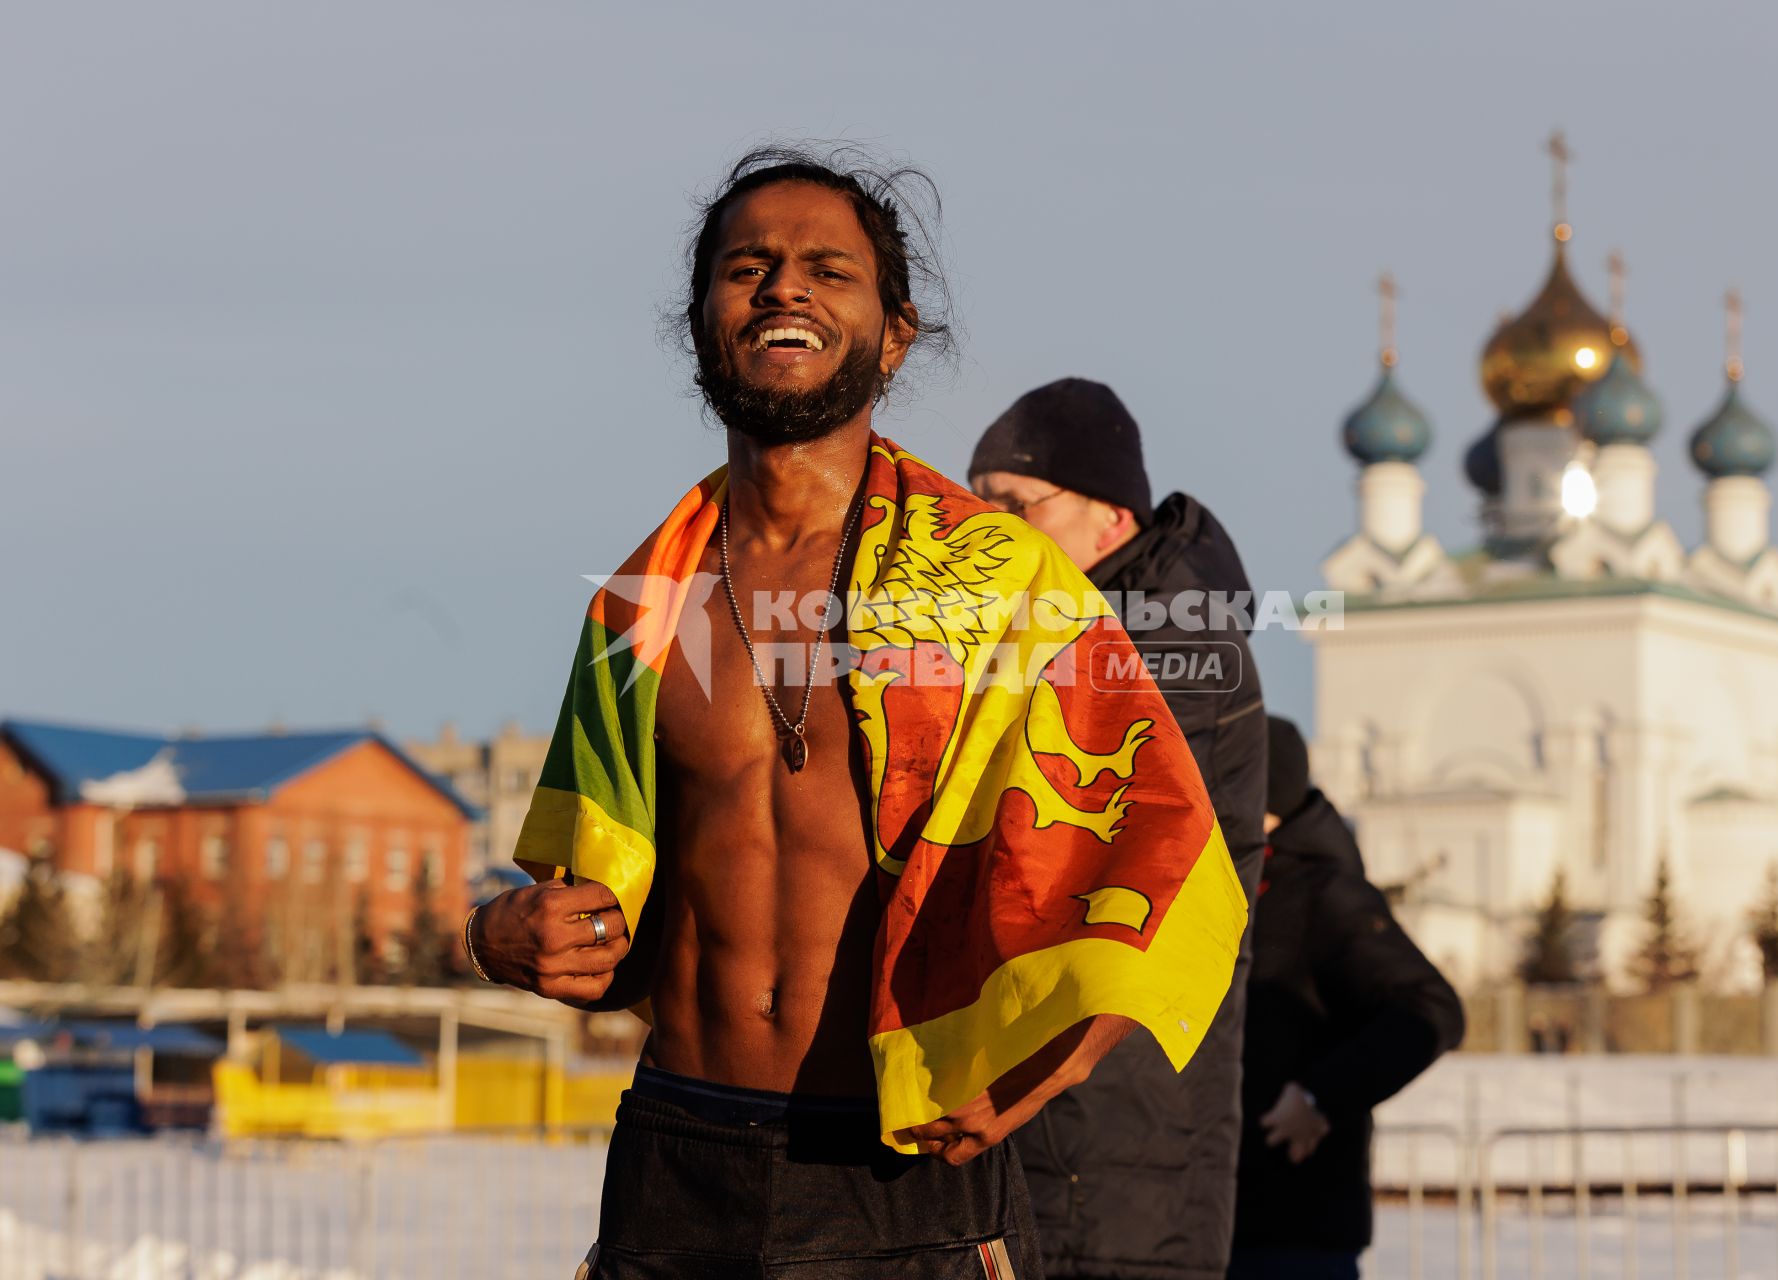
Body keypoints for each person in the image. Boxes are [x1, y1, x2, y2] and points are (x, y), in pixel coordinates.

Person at [466, 146, 1249, 1280]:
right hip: (677, 1163)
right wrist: (497, 938)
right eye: (749, 266)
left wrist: (1060, 1060)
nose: (784, 286)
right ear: (700, 322)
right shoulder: (640, 607)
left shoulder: (1001, 583)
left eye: (828, 268)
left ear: (894, 333)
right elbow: (597, 926)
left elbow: (1172, 856)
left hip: (901, 1175)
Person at [971, 378, 1268, 1280]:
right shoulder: (1083, 625)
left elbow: (1082, 846)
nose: (991, 534)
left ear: (1110, 517)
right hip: (1071, 1106)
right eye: (978, 506)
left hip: (1118, 1115)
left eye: (1016, 506)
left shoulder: (1169, 636)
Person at [1232, 717, 1466, 1280]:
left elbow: (1431, 1009)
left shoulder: (1323, 892)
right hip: (1215, 1219)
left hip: (1292, 1231)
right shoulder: (1232, 884)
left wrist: (1318, 1098)